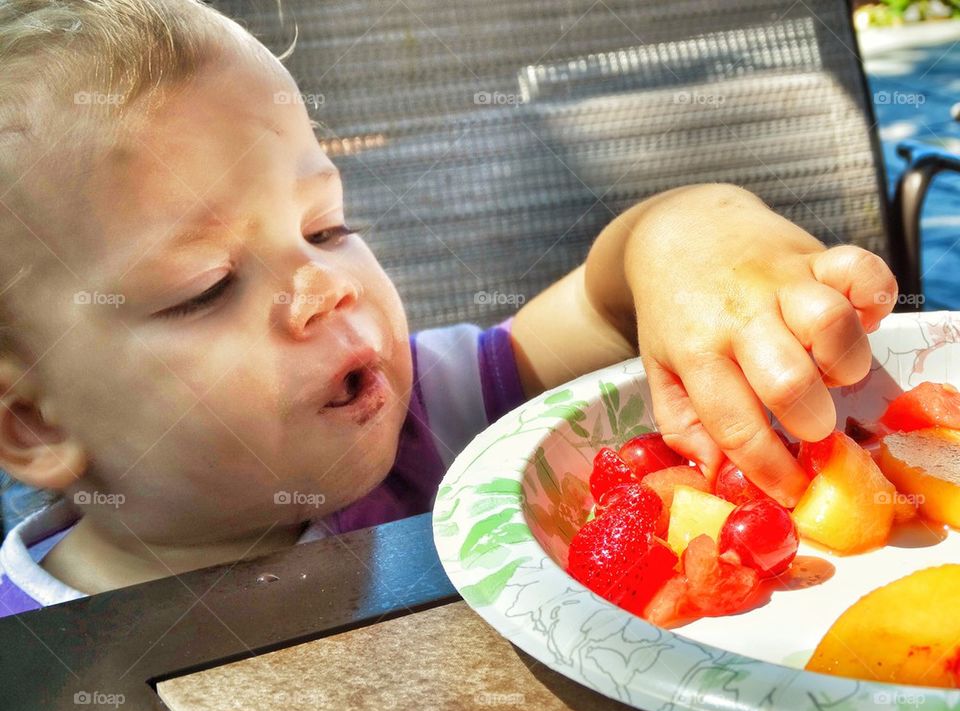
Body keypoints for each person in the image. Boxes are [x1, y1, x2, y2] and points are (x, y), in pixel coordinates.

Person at [0, 0, 897, 615]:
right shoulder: (34, 657)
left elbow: (608, 301)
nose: (326, 287)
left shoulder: (438, 416)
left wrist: (693, 238)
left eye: (326, 225)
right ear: (34, 424)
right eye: (207, 286)